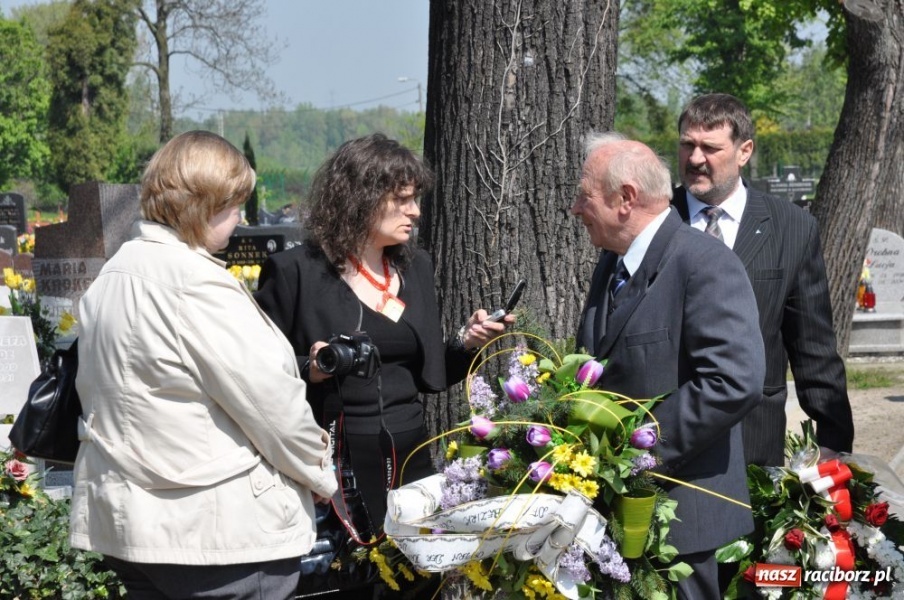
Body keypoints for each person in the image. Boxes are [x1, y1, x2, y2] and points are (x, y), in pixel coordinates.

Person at [70, 130, 337, 599]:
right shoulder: (194, 284)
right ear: (202, 205)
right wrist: (318, 474)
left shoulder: (111, 276)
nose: (238, 221)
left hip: (133, 525)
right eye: (234, 207)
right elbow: (270, 405)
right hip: (215, 535)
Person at [255, 133, 512, 536]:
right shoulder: (294, 272)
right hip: (328, 463)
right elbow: (255, 371)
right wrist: (313, 368)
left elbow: (430, 374)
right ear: (360, 198)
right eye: (402, 200)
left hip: (410, 456)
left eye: (416, 200)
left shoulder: (417, 268)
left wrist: (466, 343)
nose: (415, 212)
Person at [573, 132, 765, 599]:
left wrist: (633, 452)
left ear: (626, 199)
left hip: (681, 526)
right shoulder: (611, 262)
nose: (576, 209)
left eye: (584, 196)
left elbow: (732, 381)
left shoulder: (703, 263)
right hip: (616, 519)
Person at [671, 93, 854, 467]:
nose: (695, 159)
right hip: (666, 438)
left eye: (710, 147)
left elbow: (812, 342)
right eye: (687, 145)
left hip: (753, 439)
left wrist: (834, 439)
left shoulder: (791, 227)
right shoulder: (657, 220)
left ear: (744, 151)